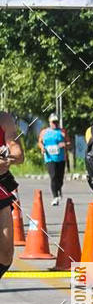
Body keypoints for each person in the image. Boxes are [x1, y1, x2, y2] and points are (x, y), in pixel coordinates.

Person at [0, 111, 24, 280]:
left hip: (1, 189)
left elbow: (18, 153)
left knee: (6, 253)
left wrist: (9, 159)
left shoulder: (4, 119)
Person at [38, 113, 70, 205]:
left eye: (56, 122)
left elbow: (68, 143)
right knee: (53, 176)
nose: (55, 124)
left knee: (60, 178)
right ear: (49, 122)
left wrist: (65, 145)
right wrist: (42, 148)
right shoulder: (44, 132)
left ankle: (58, 188)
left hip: (60, 158)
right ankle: (55, 196)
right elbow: (40, 142)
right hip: (49, 158)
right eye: (53, 122)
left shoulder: (62, 132)